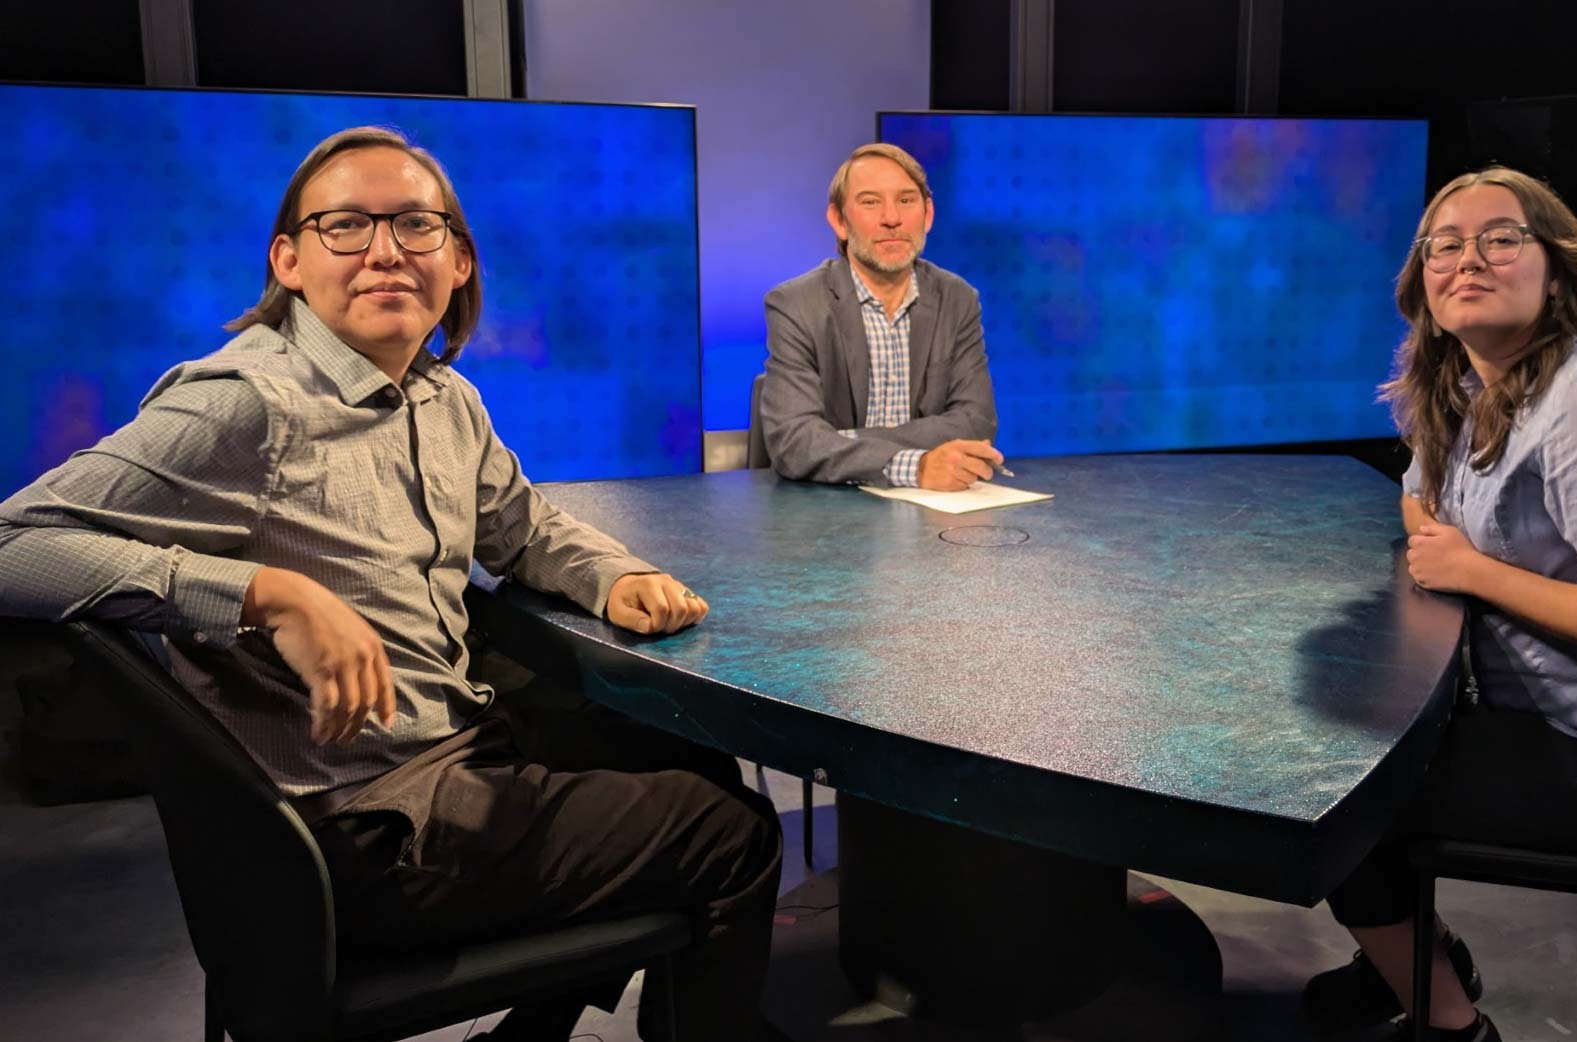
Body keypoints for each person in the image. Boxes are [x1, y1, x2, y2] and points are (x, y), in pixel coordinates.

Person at [0, 126, 781, 1042]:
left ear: (457, 260)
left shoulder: (443, 399)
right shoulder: (244, 404)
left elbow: (520, 527)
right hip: (353, 834)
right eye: (345, 227)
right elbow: (13, 543)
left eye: (416, 225)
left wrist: (614, 574)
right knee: (730, 835)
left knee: (691, 765)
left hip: (444, 757)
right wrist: (268, 594)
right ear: (288, 260)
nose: (384, 251)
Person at [1303, 167, 1577, 1042]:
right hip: (1562, 722)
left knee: (1339, 802)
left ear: (1556, 269)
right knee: (1353, 758)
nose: (1469, 260)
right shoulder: (1470, 380)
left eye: (1500, 238)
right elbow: (1419, 501)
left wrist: (1473, 569)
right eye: (1444, 245)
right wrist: (1445, 548)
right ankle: (1417, 956)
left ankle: (1451, 1024)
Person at [760, 142, 1004, 490]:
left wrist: (846, 440)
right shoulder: (796, 304)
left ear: (928, 214)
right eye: (870, 202)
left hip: (936, 514)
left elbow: (976, 422)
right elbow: (795, 442)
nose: (892, 218)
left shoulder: (957, 298)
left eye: (906, 200)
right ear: (839, 221)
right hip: (829, 518)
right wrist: (915, 465)